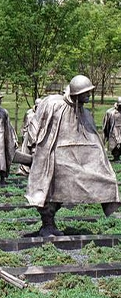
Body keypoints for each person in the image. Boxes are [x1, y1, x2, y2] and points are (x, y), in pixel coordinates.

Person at [26, 75, 120, 237]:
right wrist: (32, 147)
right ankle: (47, 225)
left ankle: (50, 224)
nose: (89, 96)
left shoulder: (86, 113)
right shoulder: (54, 104)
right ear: (76, 93)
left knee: (98, 180)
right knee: (49, 192)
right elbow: (35, 126)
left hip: (73, 159)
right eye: (85, 93)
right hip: (52, 156)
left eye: (90, 92)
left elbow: (92, 140)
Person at [19, 98, 41, 176]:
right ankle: (25, 169)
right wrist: (24, 135)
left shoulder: (44, 114)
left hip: (39, 137)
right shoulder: (29, 114)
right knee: (27, 153)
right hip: (28, 136)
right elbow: (24, 126)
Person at [103, 97, 121, 161]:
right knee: (115, 145)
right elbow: (106, 125)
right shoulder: (110, 112)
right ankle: (116, 157)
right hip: (114, 131)